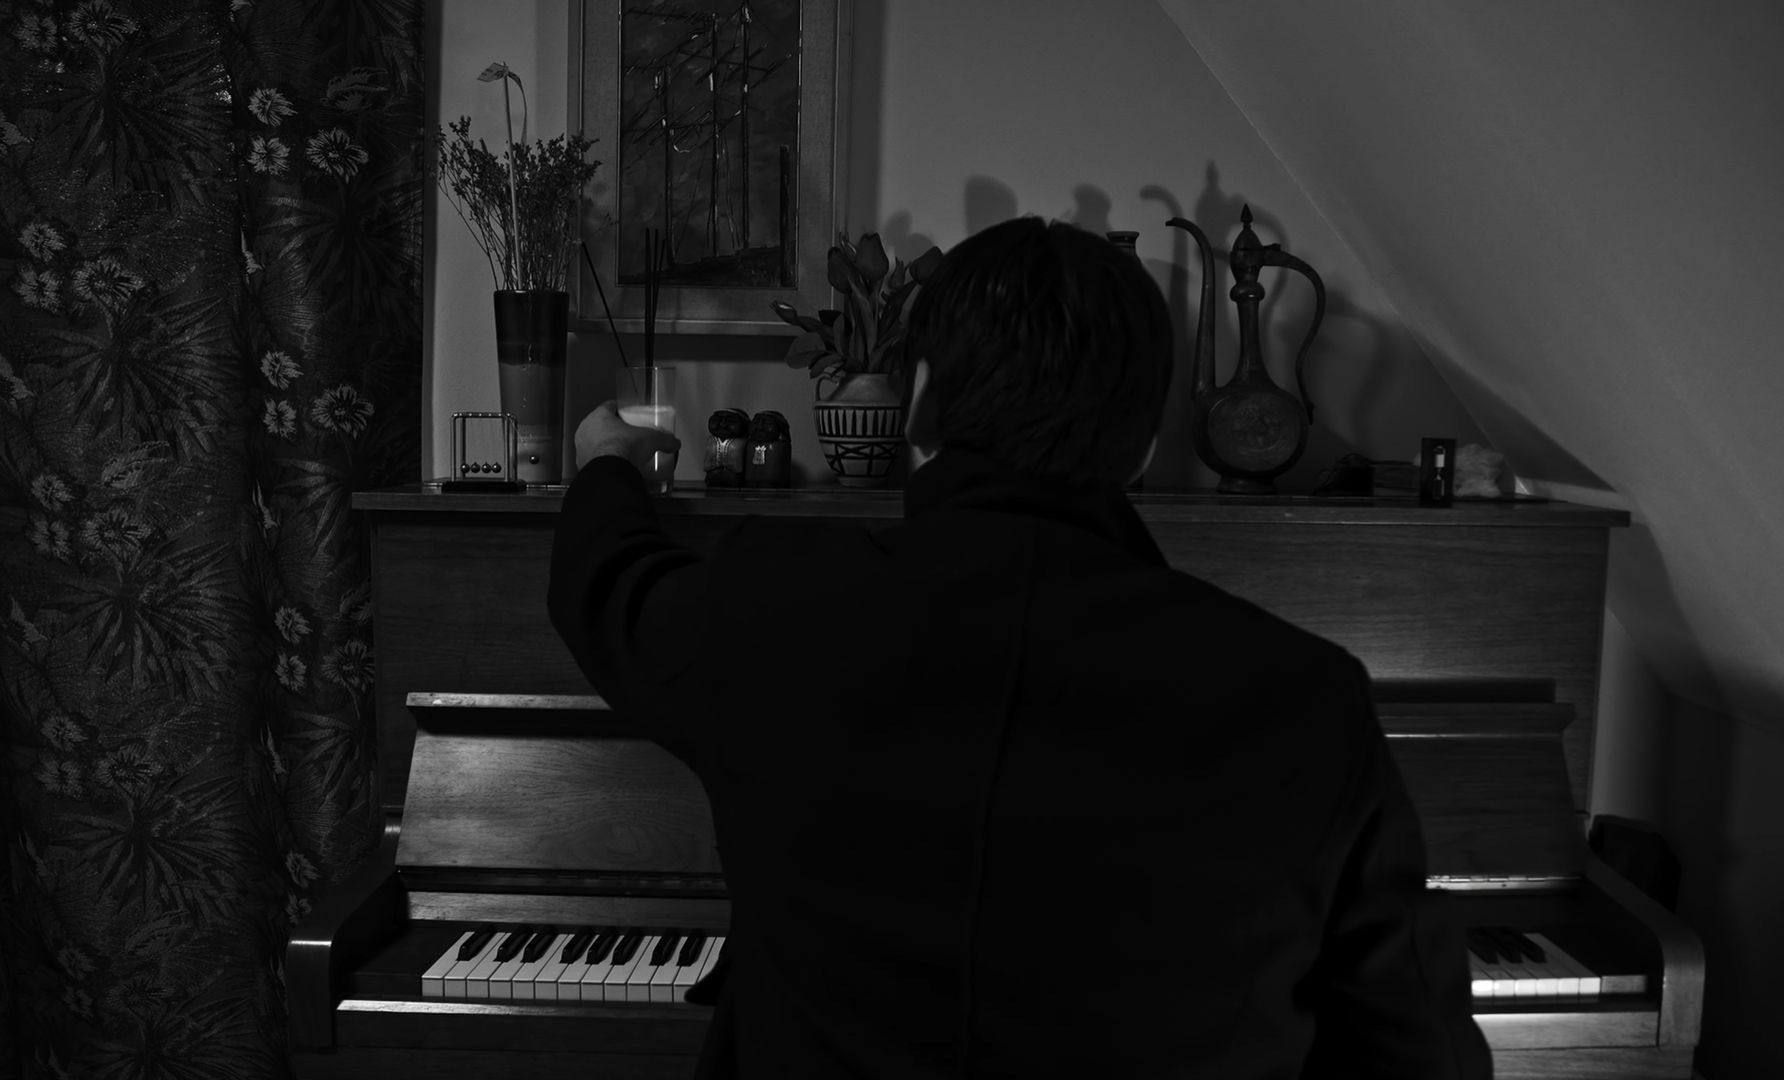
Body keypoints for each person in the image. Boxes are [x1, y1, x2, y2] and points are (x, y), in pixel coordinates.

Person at [548, 216, 1492, 1079]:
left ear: (918, 404)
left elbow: (606, 584)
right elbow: (1416, 1055)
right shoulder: (1307, 698)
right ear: (1138, 447)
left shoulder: (773, 601)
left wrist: (608, 468)